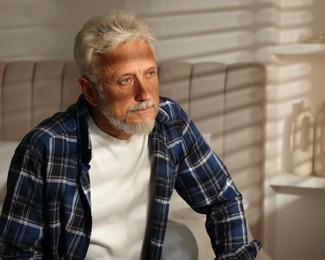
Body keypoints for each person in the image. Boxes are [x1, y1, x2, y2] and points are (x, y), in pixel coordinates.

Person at [0, 10, 261, 259]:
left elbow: (223, 201)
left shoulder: (170, 122)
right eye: (125, 80)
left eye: (150, 73)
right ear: (90, 90)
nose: (146, 95)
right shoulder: (45, 147)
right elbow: (19, 252)